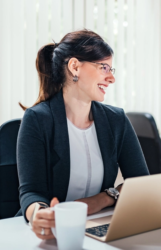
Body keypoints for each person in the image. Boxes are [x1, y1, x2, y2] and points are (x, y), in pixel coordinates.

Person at [16, 30, 149, 240]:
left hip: (102, 224)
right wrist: (39, 214)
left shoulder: (116, 120)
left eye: (111, 69)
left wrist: (102, 200)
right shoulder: (37, 120)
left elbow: (141, 183)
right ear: (75, 67)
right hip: (55, 232)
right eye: (103, 67)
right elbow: (31, 192)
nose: (111, 78)